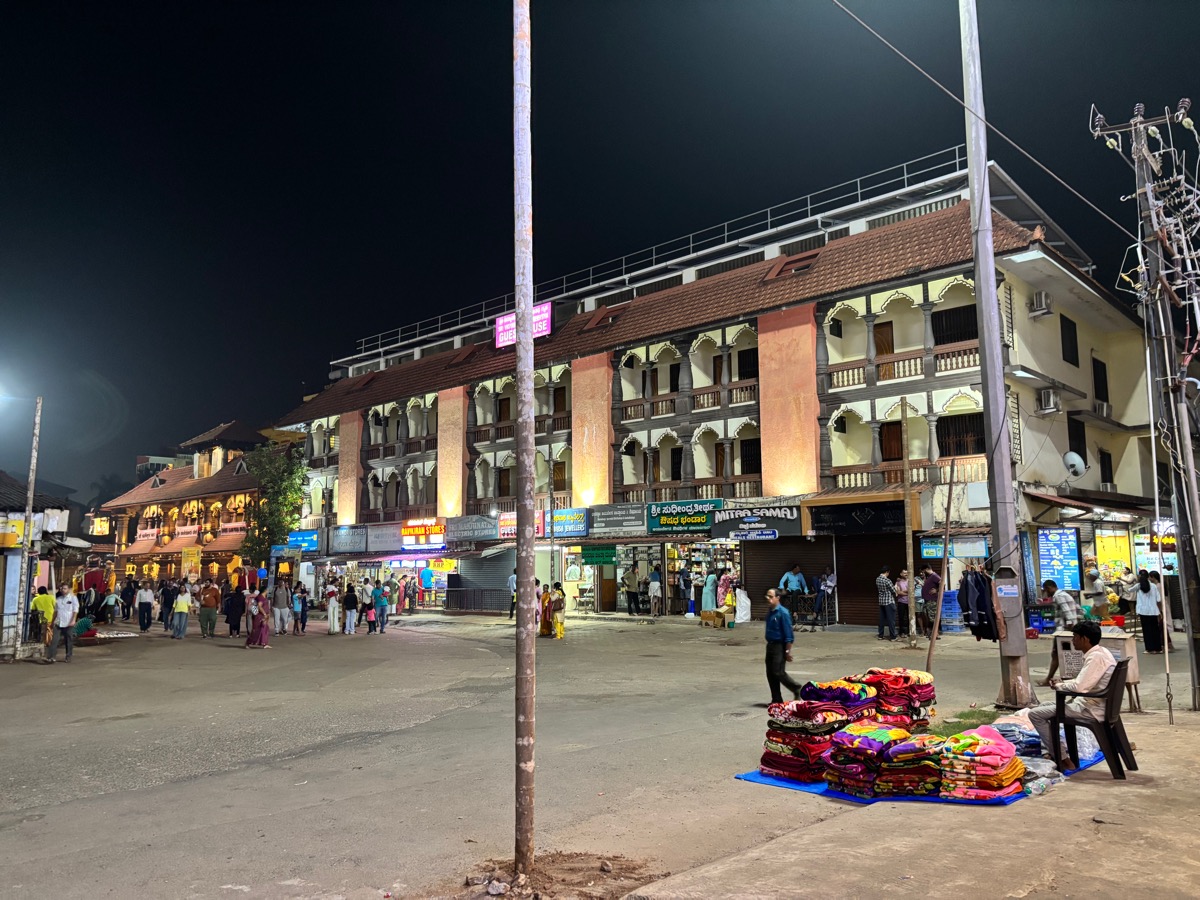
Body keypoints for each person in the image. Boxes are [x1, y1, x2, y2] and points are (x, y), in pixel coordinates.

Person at [1027, 621, 1116, 759]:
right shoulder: (1102, 652)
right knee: (1044, 707)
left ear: (1084, 639)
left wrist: (1059, 686)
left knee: (1034, 714)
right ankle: (1056, 750)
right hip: (1096, 704)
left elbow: (1080, 687)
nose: (1073, 640)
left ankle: (1061, 757)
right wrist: (1063, 683)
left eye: (1075, 637)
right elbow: (1084, 681)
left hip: (1091, 709)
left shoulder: (1096, 657)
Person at [1037, 579, 1081, 685]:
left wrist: (1071, 624)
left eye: (1046, 590)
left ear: (1049, 588)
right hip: (1066, 630)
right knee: (1060, 654)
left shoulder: (1059, 596)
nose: (1046, 593)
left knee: (1057, 654)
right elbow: (1078, 609)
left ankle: (1050, 679)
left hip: (1063, 630)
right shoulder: (1064, 594)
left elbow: (1066, 611)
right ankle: (1050, 678)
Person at [763, 589, 801, 703]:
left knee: (778, 671)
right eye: (767, 596)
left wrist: (787, 652)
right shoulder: (770, 612)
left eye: (771, 597)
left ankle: (795, 687)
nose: (768, 599)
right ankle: (776, 699)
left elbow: (789, 634)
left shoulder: (783, 613)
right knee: (770, 673)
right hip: (770, 645)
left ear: (777, 598)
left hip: (780, 646)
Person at [47, 586, 79, 663]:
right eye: (61, 589)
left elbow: (75, 610)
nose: (63, 590)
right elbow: (55, 612)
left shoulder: (73, 598)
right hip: (58, 622)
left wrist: (73, 620)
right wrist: (52, 622)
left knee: (68, 640)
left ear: (68, 589)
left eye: (64, 588)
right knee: (54, 640)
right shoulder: (58, 599)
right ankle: (51, 657)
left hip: (68, 622)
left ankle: (68, 656)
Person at [1136, 569, 1165, 654]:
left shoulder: (1138, 586)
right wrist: (1160, 611)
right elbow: (1158, 599)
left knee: (1146, 630)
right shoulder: (1154, 586)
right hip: (1153, 611)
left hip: (1143, 611)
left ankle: (1149, 648)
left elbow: (1129, 590)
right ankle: (1158, 648)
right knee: (1155, 629)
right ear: (1148, 576)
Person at [917, 563, 941, 639]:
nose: (923, 573)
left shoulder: (934, 576)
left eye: (924, 571)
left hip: (932, 600)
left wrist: (936, 590)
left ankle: (934, 634)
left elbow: (942, 583)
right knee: (929, 617)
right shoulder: (929, 577)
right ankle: (933, 634)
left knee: (932, 618)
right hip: (927, 600)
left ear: (927, 569)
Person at [875, 565, 898, 641]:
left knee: (882, 619)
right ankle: (893, 637)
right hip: (889, 601)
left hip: (881, 601)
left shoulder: (877, 579)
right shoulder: (887, 580)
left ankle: (880, 635)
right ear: (887, 572)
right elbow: (893, 591)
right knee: (891, 620)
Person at [894, 568, 911, 636]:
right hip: (901, 602)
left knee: (909, 617)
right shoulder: (898, 582)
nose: (906, 574)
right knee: (901, 617)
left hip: (910, 602)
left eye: (907, 573)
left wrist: (902, 591)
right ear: (901, 574)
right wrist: (907, 592)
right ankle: (902, 632)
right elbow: (898, 592)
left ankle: (909, 631)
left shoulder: (910, 581)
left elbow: (912, 590)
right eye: (904, 573)